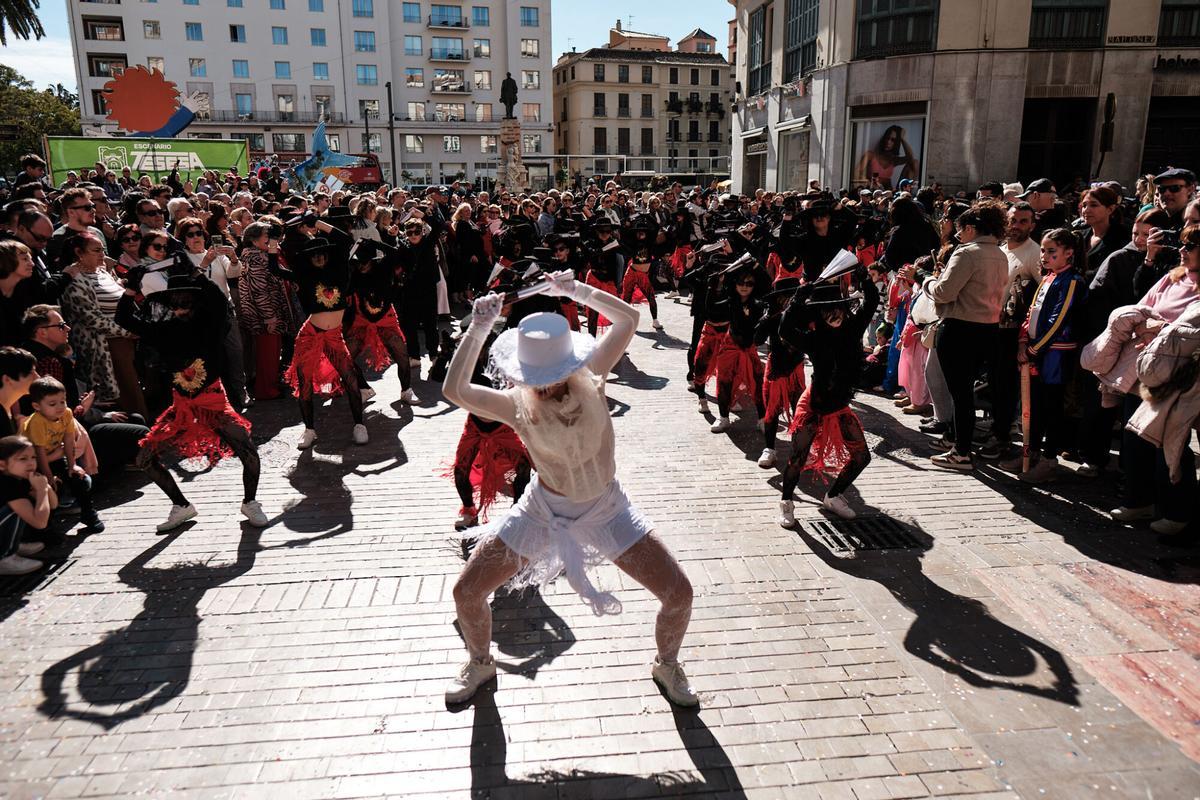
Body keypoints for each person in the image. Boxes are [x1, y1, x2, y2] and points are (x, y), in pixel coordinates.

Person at [441, 272, 697, 707]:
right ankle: (480, 662)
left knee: (680, 594)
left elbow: (629, 319)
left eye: (554, 375)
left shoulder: (593, 374)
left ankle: (667, 665)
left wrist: (576, 291)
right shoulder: (516, 405)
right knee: (466, 592)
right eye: (535, 377)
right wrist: (478, 327)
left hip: (607, 508)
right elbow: (455, 390)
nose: (546, 386)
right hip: (542, 511)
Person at [115, 276, 269, 532]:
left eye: (185, 302)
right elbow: (124, 319)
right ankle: (181, 505)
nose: (179, 308)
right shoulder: (163, 329)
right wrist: (131, 289)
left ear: (196, 302)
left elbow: (220, 303)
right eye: (174, 304)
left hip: (213, 402)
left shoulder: (211, 325)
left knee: (249, 453)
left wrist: (199, 276)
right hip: (182, 407)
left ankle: (250, 502)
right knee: (144, 459)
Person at [777, 268, 880, 523]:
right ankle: (786, 502)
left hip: (839, 405)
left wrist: (864, 277)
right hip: (814, 404)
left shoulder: (854, 328)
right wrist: (798, 298)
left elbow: (871, 302)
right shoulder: (814, 339)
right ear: (819, 314)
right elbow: (786, 330)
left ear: (844, 308)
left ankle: (833, 496)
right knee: (798, 458)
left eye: (837, 309)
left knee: (862, 456)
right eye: (826, 310)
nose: (833, 315)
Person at [924, 202, 1010, 470]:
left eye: (961, 230)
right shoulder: (1000, 253)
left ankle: (961, 452)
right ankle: (954, 438)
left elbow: (944, 293)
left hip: (960, 328)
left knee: (959, 393)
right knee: (965, 391)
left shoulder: (967, 253)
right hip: (988, 328)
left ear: (971, 228)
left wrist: (926, 280)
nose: (958, 235)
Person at [271, 230, 369, 449]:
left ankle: (359, 425)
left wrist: (315, 222)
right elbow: (275, 269)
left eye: (322, 253)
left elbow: (346, 240)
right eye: (314, 254)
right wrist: (273, 244)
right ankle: (309, 430)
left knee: (351, 379)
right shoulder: (305, 277)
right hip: (310, 336)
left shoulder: (341, 274)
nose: (318, 257)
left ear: (328, 255)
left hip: (334, 337)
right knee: (305, 383)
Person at [1015, 229, 1088, 483]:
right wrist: (1023, 340)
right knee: (1034, 406)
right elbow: (1032, 312)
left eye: (1051, 251)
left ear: (1069, 253)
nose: (1044, 256)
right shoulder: (1047, 278)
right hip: (1037, 351)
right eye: (1043, 251)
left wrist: (1034, 349)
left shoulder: (1072, 281)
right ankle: (1031, 452)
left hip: (1056, 354)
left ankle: (1049, 460)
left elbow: (1058, 320)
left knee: (1052, 407)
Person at [22, 377, 103, 532]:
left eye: (62, 401)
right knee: (50, 487)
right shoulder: (36, 422)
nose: (60, 407)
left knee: (79, 479)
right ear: (37, 406)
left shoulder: (66, 413)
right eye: (52, 404)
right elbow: (39, 452)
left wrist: (73, 465)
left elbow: (68, 438)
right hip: (34, 462)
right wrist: (48, 476)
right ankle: (47, 528)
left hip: (56, 456)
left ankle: (89, 515)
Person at [0, 435, 57, 576]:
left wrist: (46, 487)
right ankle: (4, 558)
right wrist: (41, 490)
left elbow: (53, 505)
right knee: (14, 510)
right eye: (23, 459)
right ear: (2, 465)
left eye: (33, 457)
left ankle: (12, 545)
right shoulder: (5, 484)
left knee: (24, 506)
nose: (31, 463)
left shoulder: (20, 476)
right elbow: (40, 523)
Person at [852, 125, 919, 190]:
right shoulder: (870, 155)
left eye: (893, 140)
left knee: (915, 163)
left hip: (889, 191)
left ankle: (907, 193)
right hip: (874, 191)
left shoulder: (893, 160)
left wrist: (902, 139)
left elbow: (910, 158)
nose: (888, 142)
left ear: (896, 143)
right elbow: (855, 173)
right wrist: (869, 183)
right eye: (887, 138)